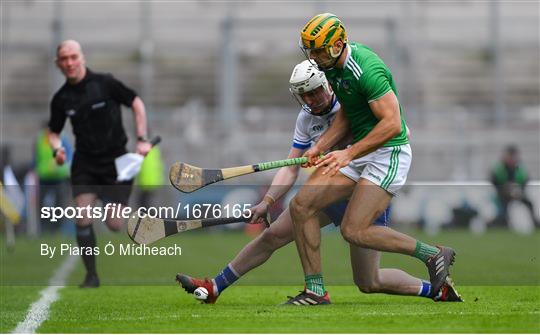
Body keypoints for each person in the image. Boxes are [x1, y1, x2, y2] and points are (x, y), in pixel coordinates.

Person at [176, 60, 459, 304]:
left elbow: (395, 131)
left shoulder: (353, 105)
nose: (312, 100)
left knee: (368, 281)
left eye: (315, 92)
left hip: (365, 192)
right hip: (329, 196)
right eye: (305, 95)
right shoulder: (305, 120)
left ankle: (435, 285)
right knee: (275, 233)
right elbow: (289, 168)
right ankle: (215, 287)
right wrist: (267, 201)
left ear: (328, 83)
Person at [284, 13, 461, 304]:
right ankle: (315, 291)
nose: (313, 57)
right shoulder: (330, 68)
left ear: (338, 44)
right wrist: (321, 146)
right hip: (360, 152)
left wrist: (348, 153)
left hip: (387, 153)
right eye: (310, 50)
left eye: (318, 50)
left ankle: (432, 254)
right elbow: (348, 113)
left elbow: (393, 124)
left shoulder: (366, 69)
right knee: (301, 206)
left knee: (353, 231)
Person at [48, 40, 152, 287]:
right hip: (85, 164)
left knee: (114, 224)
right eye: (64, 59)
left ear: (82, 58)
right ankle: (91, 275)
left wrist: (142, 138)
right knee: (82, 216)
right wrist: (57, 150)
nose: (69, 63)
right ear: (58, 64)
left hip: (117, 162)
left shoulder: (105, 83)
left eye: (73, 57)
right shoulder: (61, 98)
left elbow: (136, 103)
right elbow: (53, 132)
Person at [34, 123, 73, 232]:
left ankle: (58, 229)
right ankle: (45, 230)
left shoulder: (63, 138)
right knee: (43, 206)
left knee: (60, 205)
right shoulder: (41, 140)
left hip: (60, 177)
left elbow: (69, 156)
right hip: (44, 177)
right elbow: (36, 158)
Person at [490, 145, 539, 228]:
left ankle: (535, 223)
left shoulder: (519, 168)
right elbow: (494, 181)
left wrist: (519, 190)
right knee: (503, 208)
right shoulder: (499, 168)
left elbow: (525, 181)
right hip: (503, 194)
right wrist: (505, 189)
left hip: (518, 193)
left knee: (529, 203)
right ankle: (503, 223)